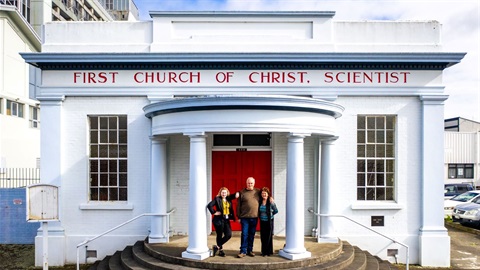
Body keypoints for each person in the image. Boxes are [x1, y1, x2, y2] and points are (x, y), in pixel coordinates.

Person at [207, 187, 237, 257]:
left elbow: (233, 196)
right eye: (222, 192)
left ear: (227, 193)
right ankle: (220, 251)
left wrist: (237, 194)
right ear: (220, 193)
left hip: (226, 220)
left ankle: (217, 247)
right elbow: (209, 205)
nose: (224, 194)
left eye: (225, 192)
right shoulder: (217, 199)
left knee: (228, 235)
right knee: (219, 235)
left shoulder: (228, 199)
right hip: (219, 220)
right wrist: (214, 212)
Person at [236, 176, 261, 258]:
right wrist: (238, 217)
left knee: (251, 234)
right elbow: (238, 205)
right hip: (244, 218)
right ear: (246, 183)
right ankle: (243, 251)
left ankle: (250, 250)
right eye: (248, 183)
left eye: (251, 183)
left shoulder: (258, 191)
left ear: (254, 183)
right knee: (245, 234)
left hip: (254, 217)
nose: (250, 184)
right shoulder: (242, 192)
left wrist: (271, 198)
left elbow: (266, 195)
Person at [258, 187, 278, 256]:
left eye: (265, 193)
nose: (264, 195)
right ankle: (263, 252)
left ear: (268, 194)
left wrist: (271, 214)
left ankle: (268, 252)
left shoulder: (271, 202)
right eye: (262, 193)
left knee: (268, 237)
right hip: (262, 221)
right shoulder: (260, 201)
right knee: (263, 237)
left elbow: (276, 211)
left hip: (269, 222)